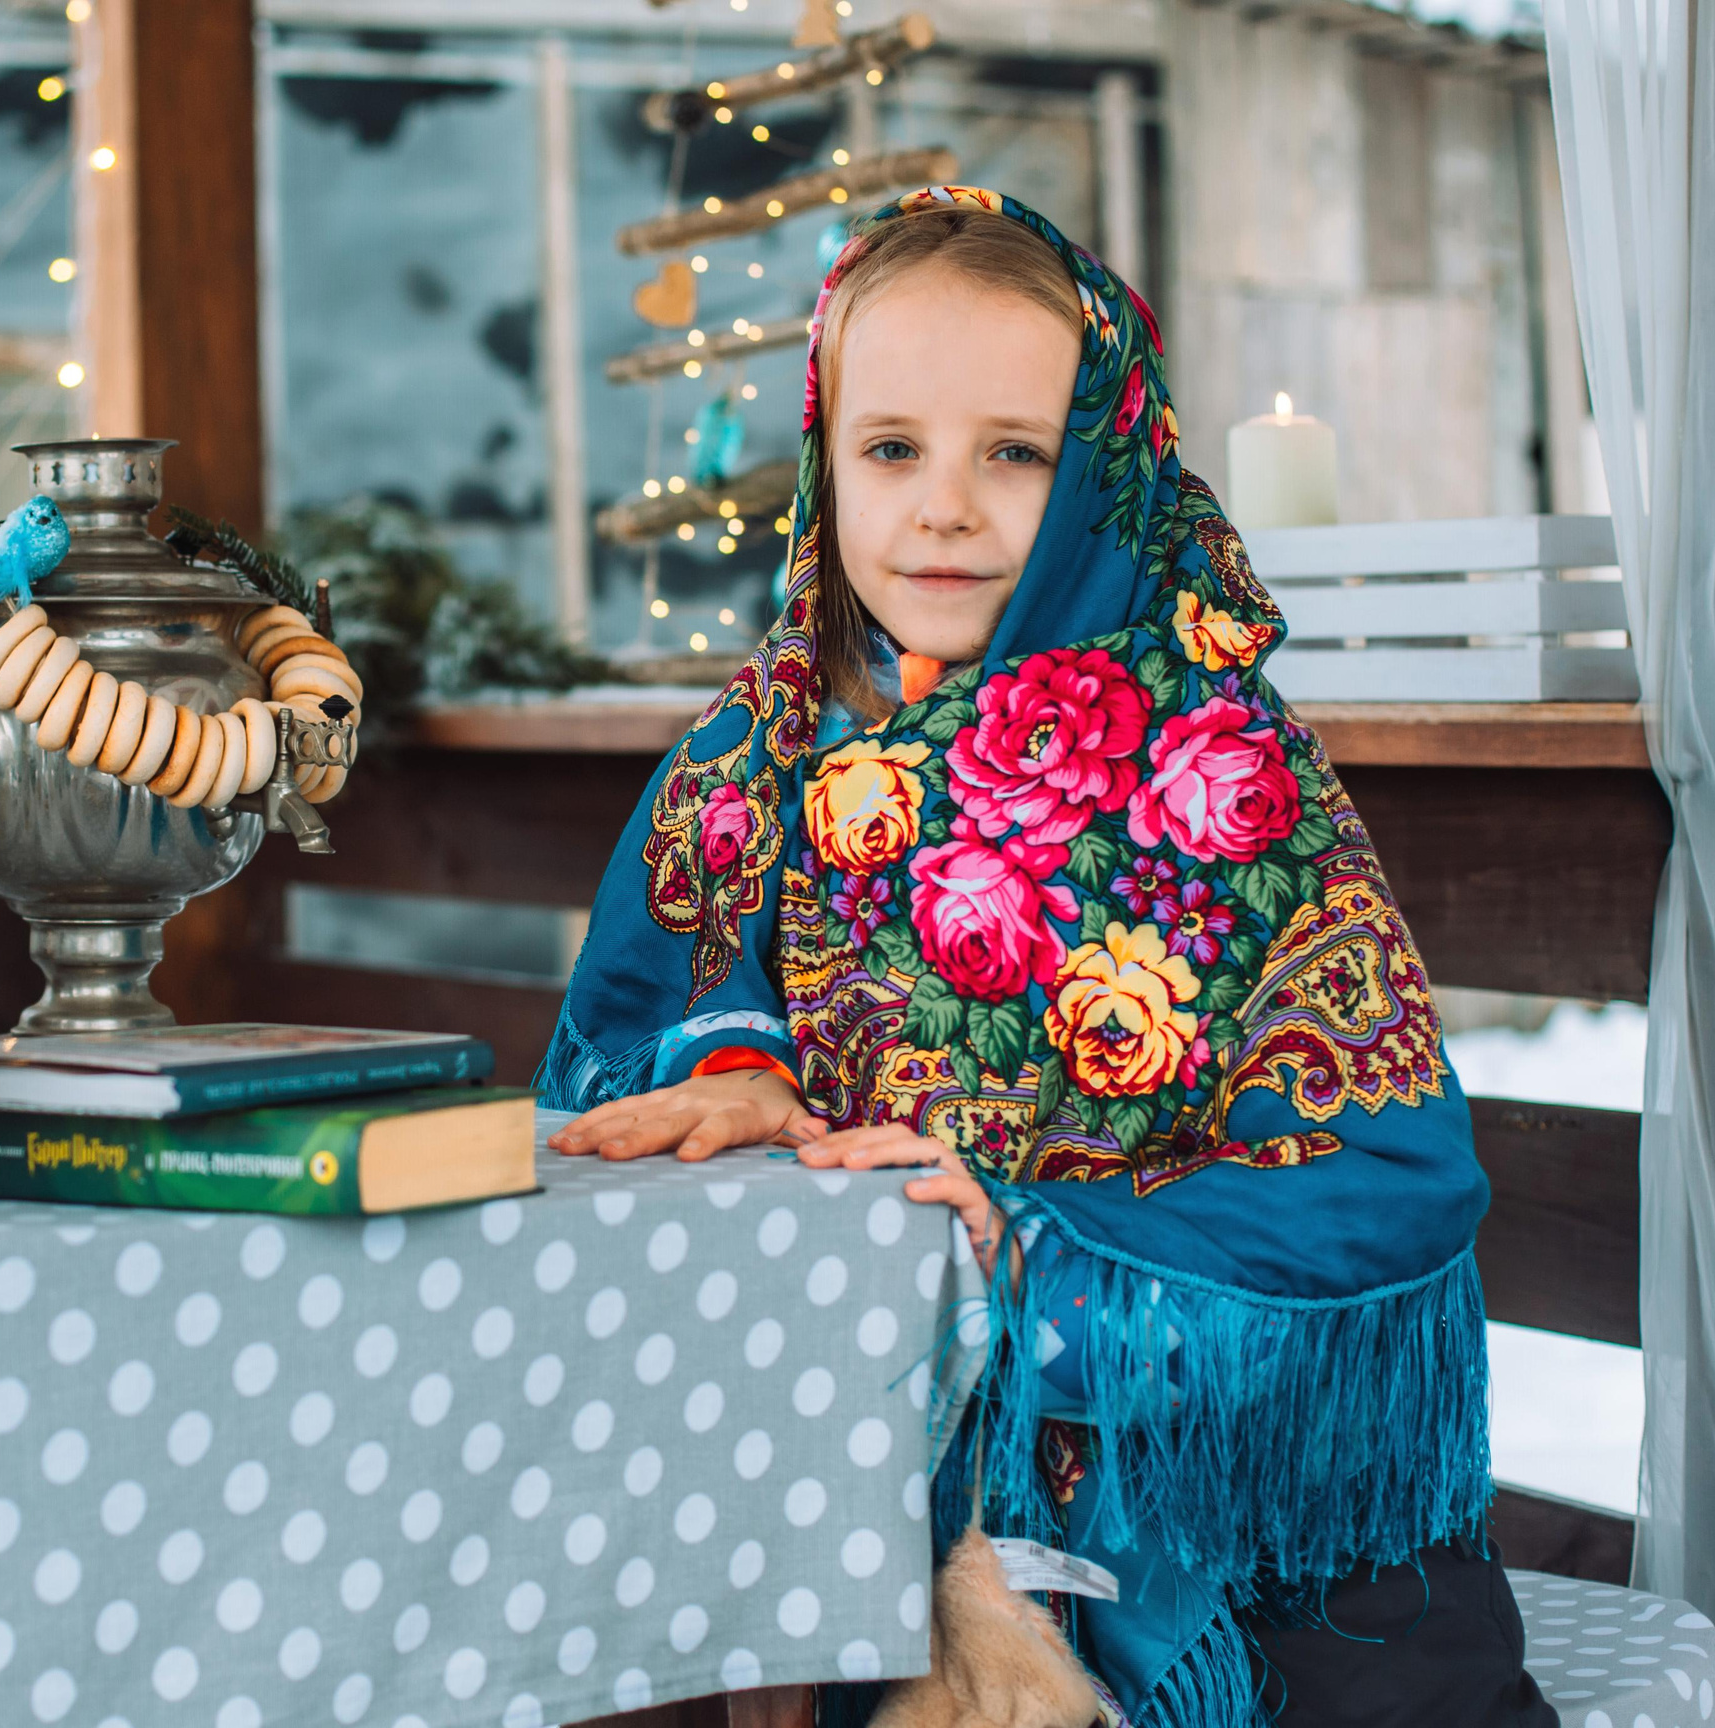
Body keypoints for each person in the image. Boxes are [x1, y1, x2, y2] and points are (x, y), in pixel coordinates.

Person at [542, 189, 1551, 1728]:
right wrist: (739, 1069)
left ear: (1104, 469)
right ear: (824, 462)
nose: (944, 507)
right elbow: (657, 1005)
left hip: (1200, 1495)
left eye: (1014, 452)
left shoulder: (1221, 765)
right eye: (892, 449)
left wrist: (1032, 1246)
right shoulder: (752, 751)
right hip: (860, 1486)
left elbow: (1383, 1170)